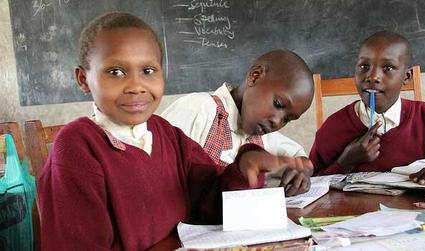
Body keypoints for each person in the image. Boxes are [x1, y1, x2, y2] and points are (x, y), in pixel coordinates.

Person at [37, 12, 308, 250]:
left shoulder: (167, 135)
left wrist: (243, 167)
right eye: (116, 72)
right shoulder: (77, 147)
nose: (136, 86)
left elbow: (210, 204)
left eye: (148, 70)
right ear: (84, 79)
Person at [309, 31, 425, 186]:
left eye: (387, 68)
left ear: (406, 77)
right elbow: (311, 183)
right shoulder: (333, 127)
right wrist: (345, 162)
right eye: (364, 66)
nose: (372, 76)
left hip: (408, 209)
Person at [161, 50, 315, 196]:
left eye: (287, 119)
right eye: (278, 104)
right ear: (255, 77)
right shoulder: (199, 109)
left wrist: (302, 172)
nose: (276, 122)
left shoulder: (260, 137)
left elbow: (300, 158)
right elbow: (155, 169)